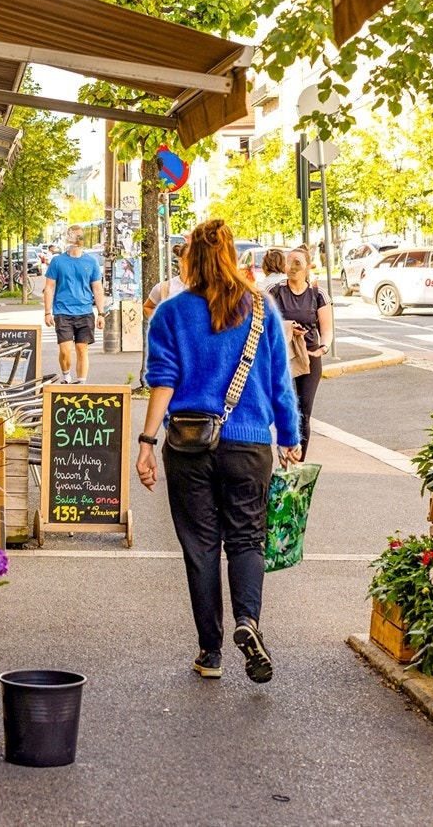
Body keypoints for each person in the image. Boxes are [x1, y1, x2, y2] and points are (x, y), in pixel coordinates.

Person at [138, 219, 301, 684]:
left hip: (189, 444)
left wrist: (147, 443)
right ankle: (248, 621)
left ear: (189, 259)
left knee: (201, 546)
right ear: (232, 257)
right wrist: (289, 436)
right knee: (247, 539)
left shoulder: (170, 312)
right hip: (249, 444)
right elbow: (280, 382)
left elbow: (162, 381)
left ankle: (210, 652)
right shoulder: (261, 307)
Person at [270, 247, 332, 451]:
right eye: (289, 262)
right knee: (286, 410)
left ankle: (298, 462)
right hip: (283, 358)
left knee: (304, 412)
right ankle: (285, 457)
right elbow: (263, 323)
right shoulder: (275, 291)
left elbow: (327, 329)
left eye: (298, 262)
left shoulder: (318, 294)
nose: (292, 267)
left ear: (307, 267)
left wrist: (323, 348)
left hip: (310, 357)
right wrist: (288, 327)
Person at [43, 226, 103, 384]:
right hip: (63, 312)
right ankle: (66, 376)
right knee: (65, 350)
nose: (77, 240)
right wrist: (47, 312)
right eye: (74, 236)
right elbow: (49, 287)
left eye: (80, 237)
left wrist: (101, 313)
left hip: (85, 311)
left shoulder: (91, 262)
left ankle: (81, 384)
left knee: (82, 349)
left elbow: (97, 288)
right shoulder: (58, 261)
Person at [143, 244, 188, 320]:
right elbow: (147, 307)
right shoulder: (164, 288)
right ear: (181, 261)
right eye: (192, 259)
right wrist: (160, 322)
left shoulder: (207, 288)